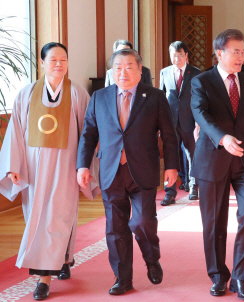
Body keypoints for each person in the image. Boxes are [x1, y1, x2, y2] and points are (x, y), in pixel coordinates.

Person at [0, 42, 99, 300]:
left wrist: (84, 166)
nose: (59, 64)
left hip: (66, 167)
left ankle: (46, 276)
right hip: (33, 169)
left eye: (63, 60)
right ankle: (57, 265)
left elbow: (88, 133)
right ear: (42, 63)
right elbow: (15, 133)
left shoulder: (77, 93)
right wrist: (13, 167)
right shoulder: (26, 94)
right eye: (53, 60)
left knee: (60, 216)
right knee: (39, 217)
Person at [77, 48, 179, 295]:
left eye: (128, 67)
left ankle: (151, 258)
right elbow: (89, 134)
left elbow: (168, 134)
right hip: (111, 170)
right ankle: (123, 278)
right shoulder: (100, 97)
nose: (122, 72)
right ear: (112, 71)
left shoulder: (154, 97)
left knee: (143, 221)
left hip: (142, 170)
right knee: (115, 227)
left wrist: (173, 167)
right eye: (118, 67)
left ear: (140, 70)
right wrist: (82, 165)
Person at [190, 29, 244, 300]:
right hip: (212, 159)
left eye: (243, 51)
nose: (241, 56)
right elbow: (200, 113)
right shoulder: (202, 81)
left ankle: (241, 278)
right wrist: (222, 138)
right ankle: (218, 276)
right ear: (219, 53)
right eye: (235, 51)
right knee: (213, 223)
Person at [159, 41, 201, 204]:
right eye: (173, 55)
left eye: (179, 55)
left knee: (192, 155)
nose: (176, 58)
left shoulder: (196, 73)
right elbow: (162, 98)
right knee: (171, 155)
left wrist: (198, 122)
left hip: (189, 121)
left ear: (186, 55)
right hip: (170, 121)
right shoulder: (165, 72)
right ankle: (170, 192)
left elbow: (199, 98)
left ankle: (193, 187)